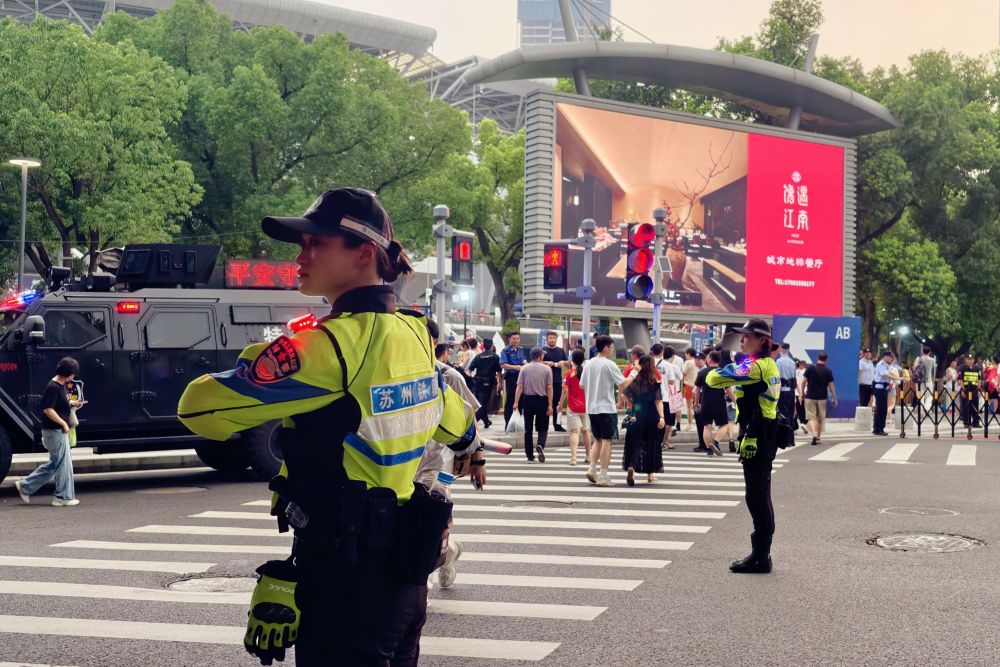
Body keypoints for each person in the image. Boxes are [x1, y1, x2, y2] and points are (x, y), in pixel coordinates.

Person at [177, 187, 475, 666]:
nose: (300, 254)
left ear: (363, 253)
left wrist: (263, 366)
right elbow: (452, 417)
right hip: (404, 577)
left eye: (316, 242)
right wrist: (471, 443)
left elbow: (197, 409)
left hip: (346, 585)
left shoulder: (329, 347)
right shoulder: (415, 333)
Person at [706, 319, 782, 574]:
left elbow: (714, 378)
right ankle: (762, 554)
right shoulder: (768, 363)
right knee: (760, 492)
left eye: (748, 336)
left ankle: (761, 557)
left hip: (757, 435)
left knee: (756, 494)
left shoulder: (754, 367)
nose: (742, 340)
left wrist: (731, 362)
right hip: (763, 432)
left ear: (762, 340)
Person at [419, 319, 486, 592]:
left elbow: (469, 419)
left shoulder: (449, 376)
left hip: (439, 463)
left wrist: (478, 459)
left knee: (428, 524)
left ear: (433, 343)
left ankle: (422, 589)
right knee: (415, 529)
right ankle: (449, 552)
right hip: (400, 465)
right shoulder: (394, 373)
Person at [14, 356, 81, 507]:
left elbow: (56, 403)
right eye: (73, 374)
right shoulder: (54, 387)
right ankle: (62, 497)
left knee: (56, 463)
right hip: (54, 430)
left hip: (54, 430)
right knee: (62, 464)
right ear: (68, 373)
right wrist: (64, 423)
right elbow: (48, 410)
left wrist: (71, 403)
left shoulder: (59, 384)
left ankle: (26, 486)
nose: (74, 376)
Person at [580, 335, 625, 487]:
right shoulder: (609, 364)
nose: (612, 350)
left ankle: (592, 469)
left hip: (591, 407)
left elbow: (582, 385)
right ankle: (603, 475)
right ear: (605, 347)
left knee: (597, 439)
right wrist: (634, 373)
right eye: (612, 347)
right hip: (606, 407)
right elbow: (623, 384)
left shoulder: (589, 364)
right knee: (607, 440)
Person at [619, 354, 665, 485]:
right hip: (651, 415)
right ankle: (650, 475)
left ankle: (631, 467)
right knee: (651, 443)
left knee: (634, 442)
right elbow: (658, 401)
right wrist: (662, 417)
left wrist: (633, 402)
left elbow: (624, 396)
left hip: (637, 414)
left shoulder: (634, 382)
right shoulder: (654, 382)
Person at [513, 347, 553, 463]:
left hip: (528, 400)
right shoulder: (547, 369)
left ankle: (529, 455)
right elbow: (549, 388)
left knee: (528, 428)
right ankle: (540, 444)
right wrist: (550, 405)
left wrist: (516, 402)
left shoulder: (524, 368)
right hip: (542, 400)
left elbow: (519, 386)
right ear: (540, 356)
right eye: (542, 355)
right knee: (543, 427)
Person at [694, 351, 732, 456]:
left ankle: (709, 449)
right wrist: (735, 401)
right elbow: (728, 390)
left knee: (707, 426)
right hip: (719, 401)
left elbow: (697, 390)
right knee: (724, 424)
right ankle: (715, 442)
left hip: (705, 402)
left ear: (710, 359)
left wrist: (697, 403)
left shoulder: (702, 372)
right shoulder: (723, 372)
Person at [560, 348, 592, 466]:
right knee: (586, 431)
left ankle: (574, 458)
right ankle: (588, 456)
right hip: (586, 406)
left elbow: (564, 391)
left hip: (573, 406)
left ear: (572, 359)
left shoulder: (569, 373)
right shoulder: (587, 373)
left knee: (574, 432)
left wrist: (559, 404)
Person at [802, 352, 838, 446]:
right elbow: (831, 386)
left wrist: (802, 393)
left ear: (817, 358)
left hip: (810, 396)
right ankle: (818, 437)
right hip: (822, 398)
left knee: (810, 417)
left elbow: (803, 382)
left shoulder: (810, 368)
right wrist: (834, 398)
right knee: (820, 419)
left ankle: (813, 433)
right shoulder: (828, 371)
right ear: (826, 360)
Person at [651, 344, 681, 450]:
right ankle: (663, 442)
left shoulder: (648, 363)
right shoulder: (668, 365)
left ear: (652, 352)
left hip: (651, 397)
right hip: (665, 397)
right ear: (662, 352)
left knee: (653, 420)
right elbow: (672, 381)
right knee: (667, 421)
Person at [467, 338, 500, 429]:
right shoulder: (495, 357)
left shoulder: (478, 356)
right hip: (489, 382)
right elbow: (499, 370)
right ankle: (472, 425)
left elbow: (470, 369)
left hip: (478, 382)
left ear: (483, 346)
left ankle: (486, 421)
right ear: (492, 346)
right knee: (483, 403)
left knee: (481, 402)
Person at [541, 331, 569, 432]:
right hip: (545, 381)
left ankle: (557, 425)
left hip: (557, 380)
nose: (552, 340)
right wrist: (549, 363)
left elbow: (568, 363)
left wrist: (564, 362)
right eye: (550, 338)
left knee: (557, 403)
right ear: (546, 339)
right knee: (545, 404)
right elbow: (538, 362)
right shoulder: (543, 350)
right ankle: (543, 426)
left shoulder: (561, 351)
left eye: (554, 338)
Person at [500, 332, 527, 429]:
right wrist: (515, 367)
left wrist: (527, 365)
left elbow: (523, 361)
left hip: (521, 376)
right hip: (511, 376)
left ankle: (517, 424)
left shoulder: (521, 350)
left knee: (520, 399)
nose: (516, 341)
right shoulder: (505, 351)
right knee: (511, 399)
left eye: (517, 339)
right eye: (514, 339)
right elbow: (502, 364)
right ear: (509, 340)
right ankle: (508, 424)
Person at [872, 350, 900, 436]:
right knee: (880, 409)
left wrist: (897, 378)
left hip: (884, 389)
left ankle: (879, 428)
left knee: (882, 409)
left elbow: (889, 374)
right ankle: (878, 428)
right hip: (880, 389)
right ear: (886, 356)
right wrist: (898, 378)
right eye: (891, 357)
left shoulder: (885, 365)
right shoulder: (881, 364)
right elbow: (885, 375)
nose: (891, 359)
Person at [776, 343, 798, 446]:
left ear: (781, 350)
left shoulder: (779, 362)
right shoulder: (792, 362)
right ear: (788, 350)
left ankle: (787, 440)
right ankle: (792, 440)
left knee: (784, 415)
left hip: (782, 390)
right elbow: (794, 377)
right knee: (791, 415)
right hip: (791, 391)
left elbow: (777, 377)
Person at [958, 353, 983, 429]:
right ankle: (966, 422)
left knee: (975, 406)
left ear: (973, 360)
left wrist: (979, 390)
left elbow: (979, 380)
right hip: (966, 390)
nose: (970, 361)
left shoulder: (976, 368)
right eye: (968, 359)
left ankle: (976, 422)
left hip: (974, 390)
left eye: (971, 359)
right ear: (966, 360)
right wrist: (962, 390)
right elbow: (960, 380)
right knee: (966, 407)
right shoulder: (962, 368)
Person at [682, 347, 698, 431]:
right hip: (697, 386)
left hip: (689, 386)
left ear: (688, 354)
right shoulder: (697, 361)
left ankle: (690, 425)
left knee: (689, 407)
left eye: (686, 354)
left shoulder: (688, 362)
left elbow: (683, 372)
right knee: (696, 405)